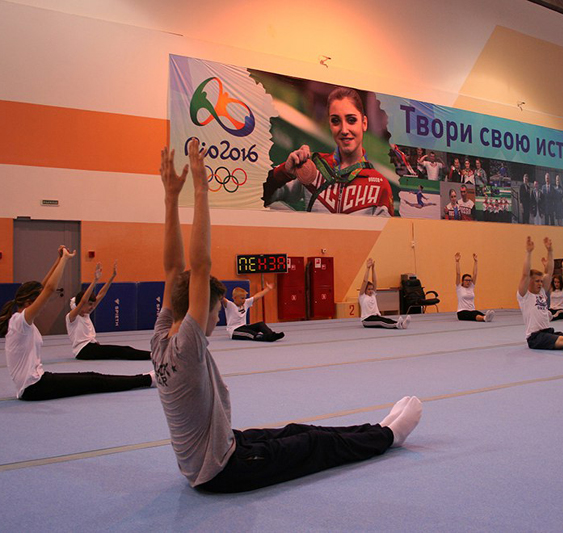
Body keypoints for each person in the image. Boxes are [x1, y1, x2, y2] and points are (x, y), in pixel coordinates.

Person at [153, 140, 422, 493]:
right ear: (196, 311)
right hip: (223, 469)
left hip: (213, 452)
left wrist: (171, 198)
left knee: (297, 431)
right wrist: (201, 189)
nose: (216, 319)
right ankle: (388, 436)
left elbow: (174, 269)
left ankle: (376, 429)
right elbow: (199, 265)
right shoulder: (187, 345)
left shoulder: (160, 339)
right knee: (314, 444)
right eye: (215, 312)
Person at [1, 247, 154, 401]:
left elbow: (44, 287)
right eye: (38, 302)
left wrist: (59, 260)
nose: (43, 306)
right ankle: (147, 379)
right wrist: (65, 260)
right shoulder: (20, 322)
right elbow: (49, 289)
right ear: (28, 303)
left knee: (93, 378)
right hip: (35, 386)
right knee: (95, 380)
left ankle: (146, 378)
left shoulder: (19, 322)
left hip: (37, 383)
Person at [262, 87, 393, 216]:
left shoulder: (379, 185)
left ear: (364, 123)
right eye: (335, 121)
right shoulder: (314, 168)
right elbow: (258, 196)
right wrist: (284, 171)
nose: (344, 130)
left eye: (351, 120)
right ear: (330, 125)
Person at [67, 261, 151, 360]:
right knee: (120, 351)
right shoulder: (72, 317)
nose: (92, 307)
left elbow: (101, 294)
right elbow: (83, 300)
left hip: (91, 347)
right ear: (81, 304)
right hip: (83, 350)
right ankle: (151, 355)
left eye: (92, 305)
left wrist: (112, 277)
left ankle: (150, 354)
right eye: (89, 304)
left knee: (123, 349)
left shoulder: (86, 314)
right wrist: (95, 280)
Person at [358, 258, 409, 329]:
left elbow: (375, 281)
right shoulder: (362, 296)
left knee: (385, 319)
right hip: (367, 320)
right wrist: (368, 268)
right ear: (365, 290)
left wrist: (373, 268)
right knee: (381, 322)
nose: (371, 291)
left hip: (376, 316)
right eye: (369, 289)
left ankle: (402, 324)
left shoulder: (373, 295)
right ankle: (396, 325)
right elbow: (364, 281)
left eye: (372, 289)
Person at [454, 253, 494, 322]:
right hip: (462, 312)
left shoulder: (471, 287)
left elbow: (475, 274)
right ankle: (484, 318)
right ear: (462, 281)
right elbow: (458, 274)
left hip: (472, 310)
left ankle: (485, 317)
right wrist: (457, 262)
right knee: (473, 315)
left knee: (477, 313)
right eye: (466, 280)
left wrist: (476, 262)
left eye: (470, 280)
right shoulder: (459, 288)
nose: (468, 282)